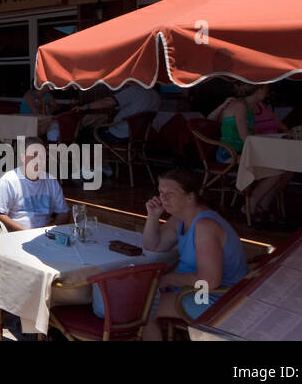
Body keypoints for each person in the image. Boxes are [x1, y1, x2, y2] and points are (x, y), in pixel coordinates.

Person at [118, 169, 248, 339]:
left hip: (217, 299)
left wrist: (169, 279)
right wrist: (153, 216)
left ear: (190, 197)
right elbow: (154, 246)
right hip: (195, 290)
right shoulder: (182, 217)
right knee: (141, 298)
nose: (163, 198)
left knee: (141, 309)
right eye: (161, 193)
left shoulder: (204, 226)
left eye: (170, 194)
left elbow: (209, 281)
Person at [209, 82, 291, 224]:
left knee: (285, 167)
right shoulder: (239, 107)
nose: (268, 91)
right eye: (266, 88)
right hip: (229, 155)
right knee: (278, 169)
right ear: (259, 90)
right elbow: (245, 137)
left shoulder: (247, 107)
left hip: (242, 152)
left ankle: (261, 206)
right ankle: (251, 205)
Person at [0, 136, 71, 231]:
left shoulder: (51, 181)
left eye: (42, 156)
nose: (38, 160)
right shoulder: (8, 181)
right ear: (23, 157)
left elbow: (64, 212)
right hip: (17, 236)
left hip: (46, 235)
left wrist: (50, 230)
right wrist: (26, 233)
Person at [88, 83, 162, 142]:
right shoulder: (157, 96)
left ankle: (97, 159)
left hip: (119, 134)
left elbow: (109, 102)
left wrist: (86, 107)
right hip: (139, 137)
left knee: (90, 133)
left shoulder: (135, 90)